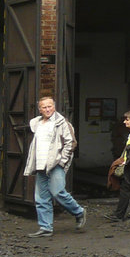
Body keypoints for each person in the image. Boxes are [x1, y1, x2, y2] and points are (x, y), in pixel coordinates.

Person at [23, 95, 86, 237]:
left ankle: (79, 211)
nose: (47, 109)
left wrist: (62, 161)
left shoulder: (61, 122)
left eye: (49, 106)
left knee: (57, 192)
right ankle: (46, 227)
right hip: (40, 164)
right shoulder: (37, 124)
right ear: (39, 109)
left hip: (55, 163)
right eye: (44, 107)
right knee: (41, 197)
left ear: (54, 106)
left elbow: (70, 143)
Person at [105, 110, 130, 222]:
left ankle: (119, 215)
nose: (124, 122)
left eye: (127, 119)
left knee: (127, 189)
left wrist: (128, 160)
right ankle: (119, 214)